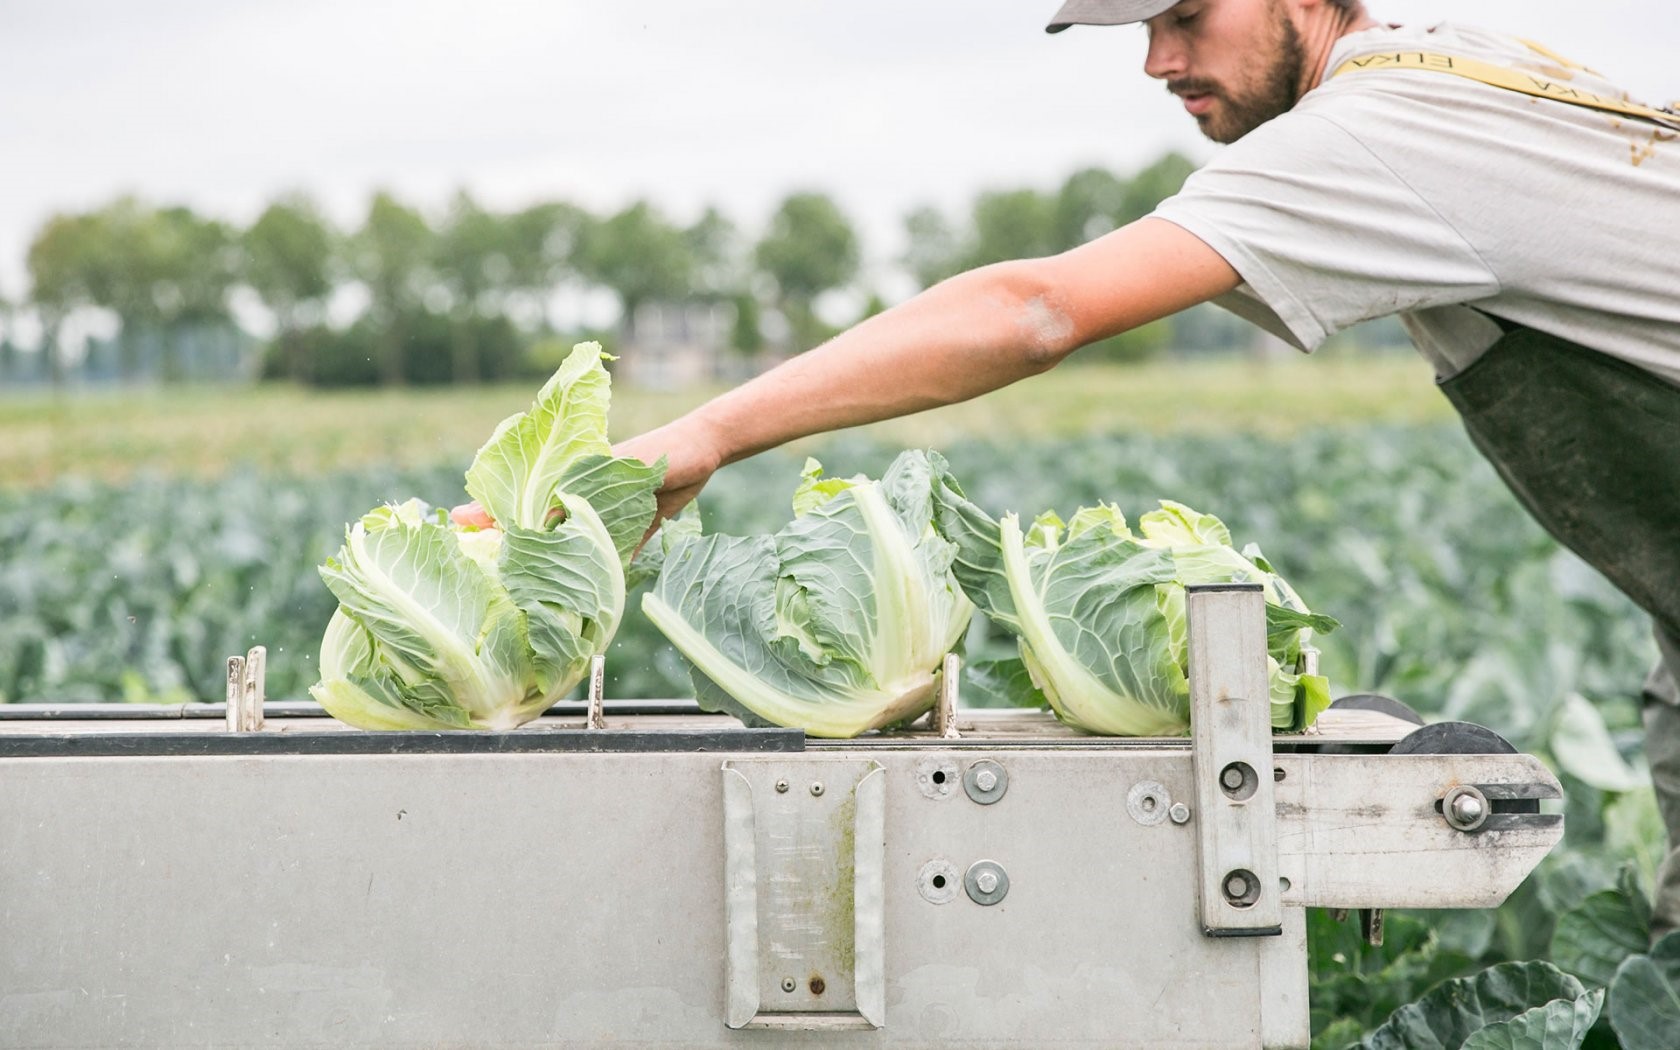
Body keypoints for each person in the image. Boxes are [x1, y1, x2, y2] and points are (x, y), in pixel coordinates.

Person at [461, 0, 1680, 937]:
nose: (1157, 60)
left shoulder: (1383, 135)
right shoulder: (1457, 73)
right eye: (1142, 29)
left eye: (1185, 14)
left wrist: (703, 437)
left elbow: (1037, 312)